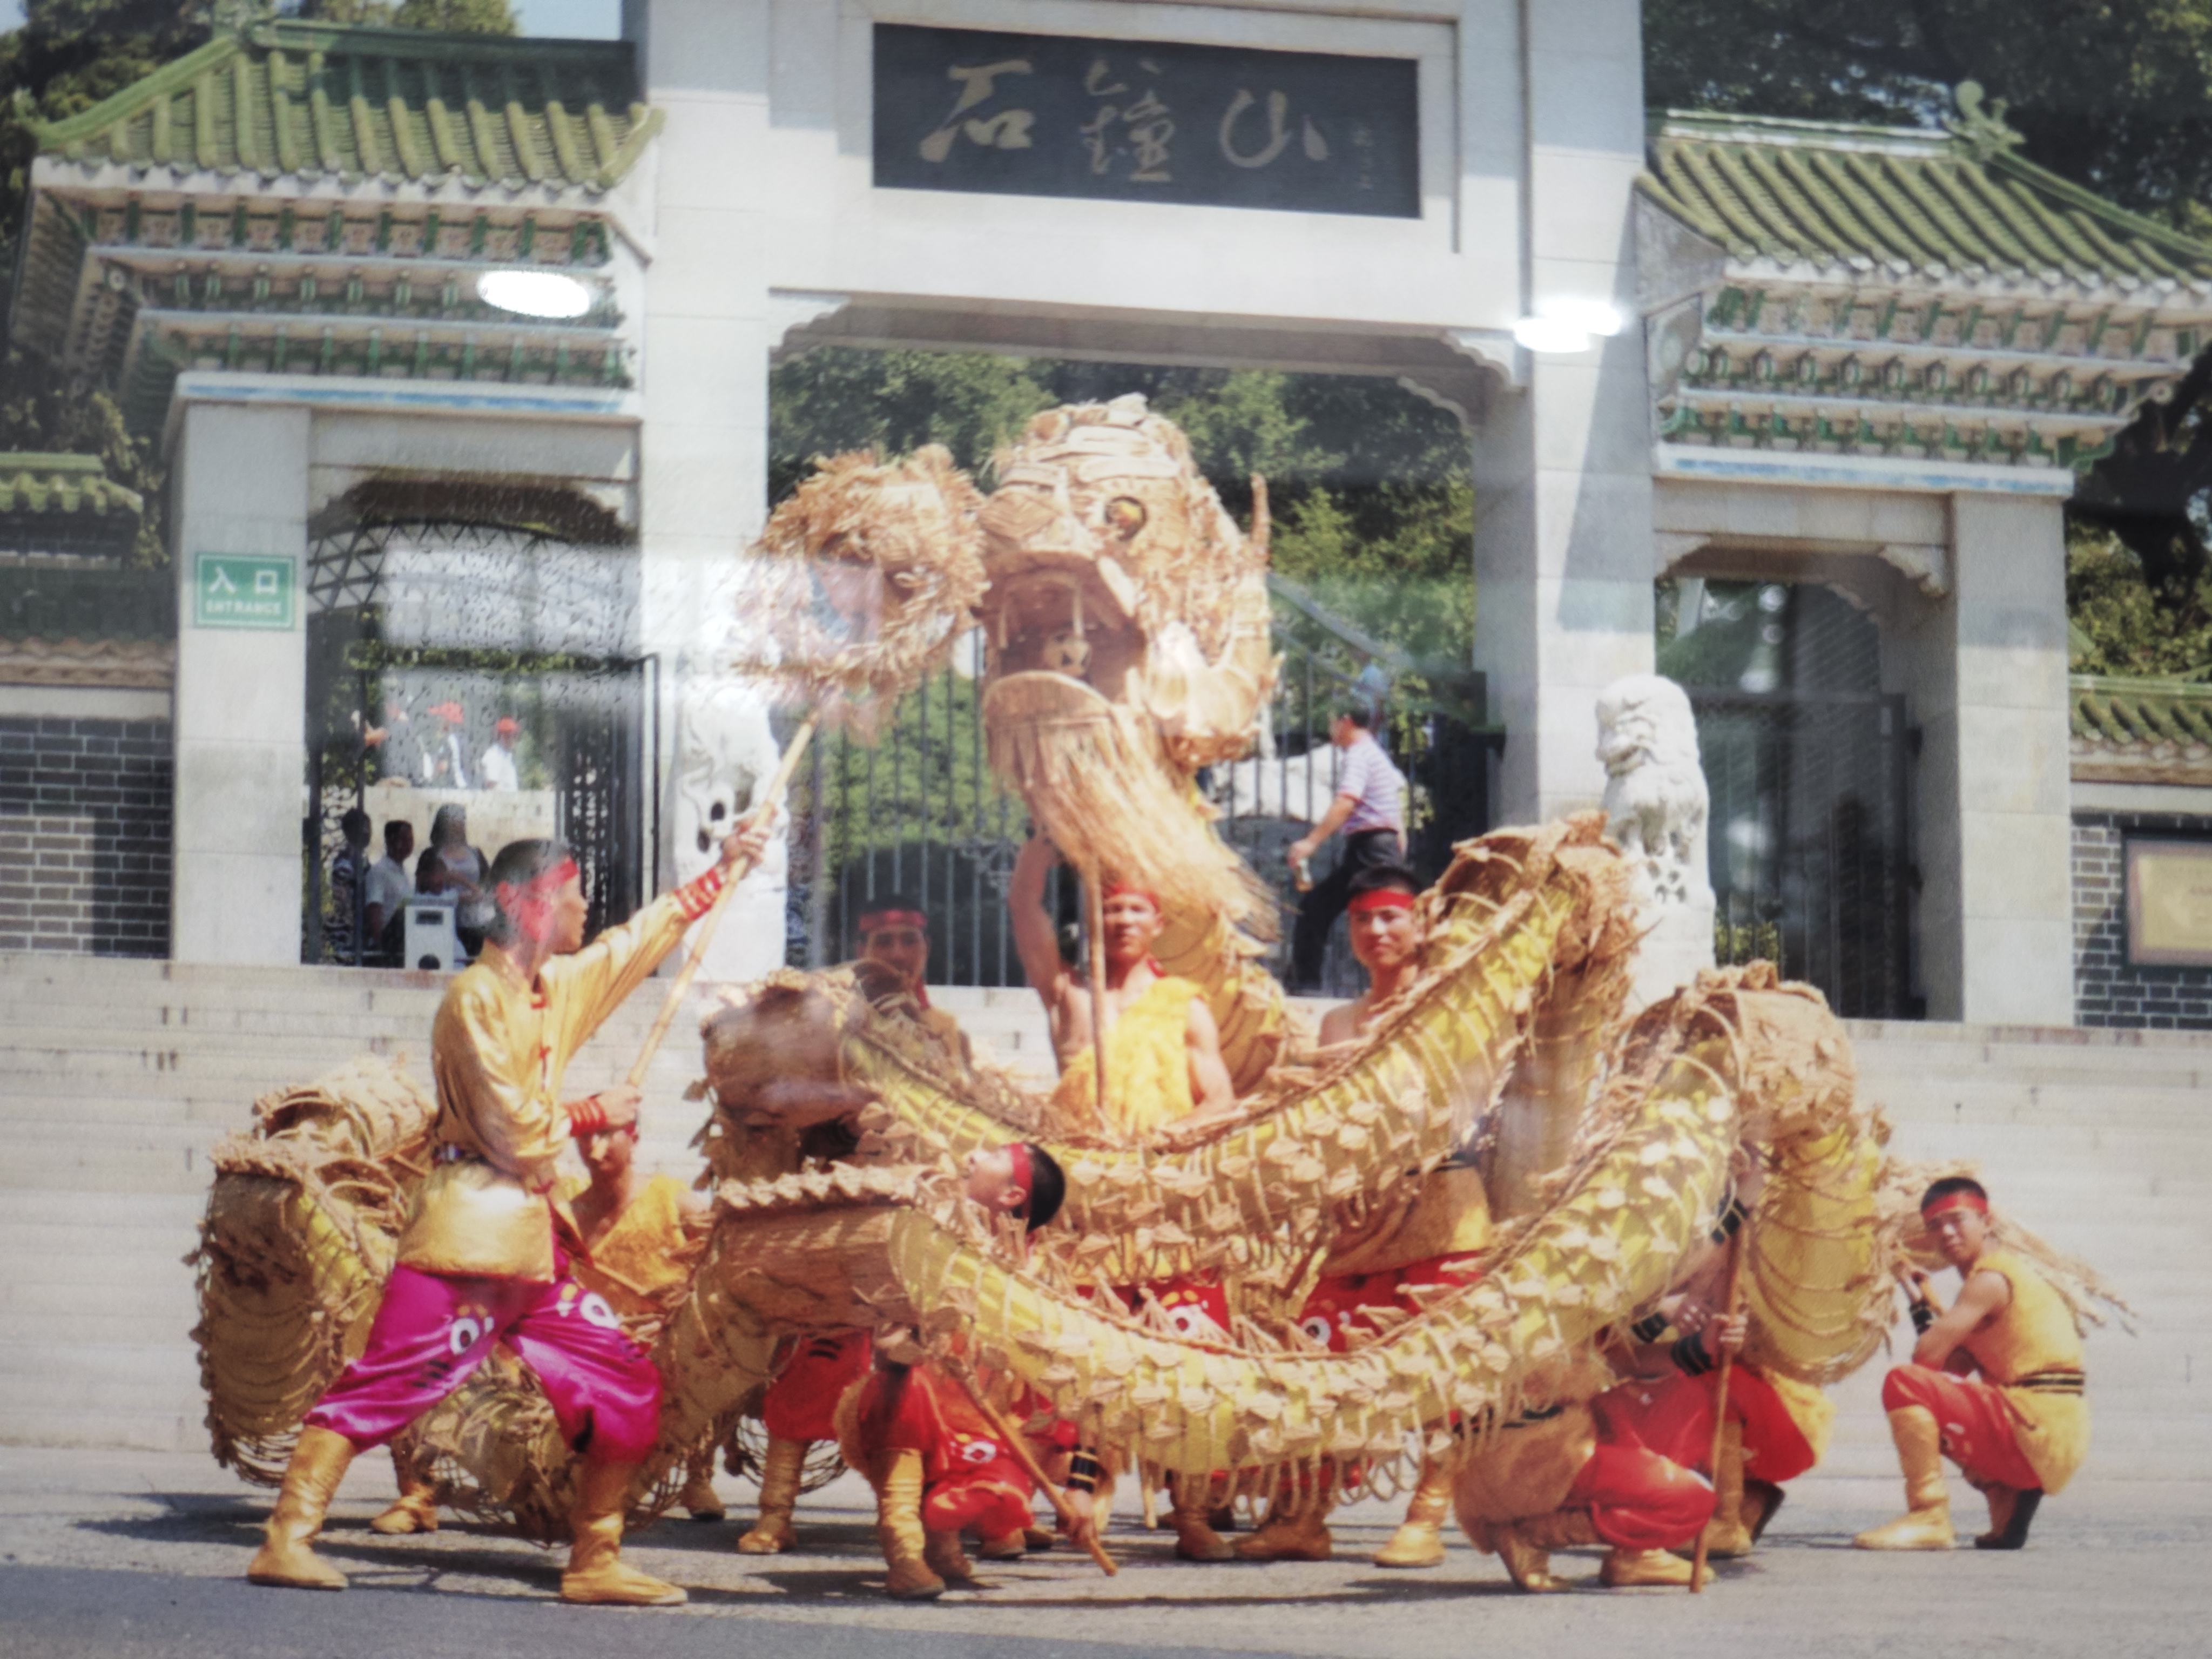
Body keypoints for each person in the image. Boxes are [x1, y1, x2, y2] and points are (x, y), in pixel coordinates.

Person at [243, 812, 773, 1605]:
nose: (585, 907)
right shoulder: (471, 1000)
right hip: (466, 1242)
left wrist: (717, 874)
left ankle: (595, 1558)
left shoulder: (549, 989)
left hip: (530, 1252)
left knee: (624, 1377)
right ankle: (286, 1539)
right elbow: (515, 1133)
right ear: (526, 900)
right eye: (575, 892)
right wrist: (594, 1114)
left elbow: (630, 948)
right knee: (386, 1384)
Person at [1252, 864, 1491, 1567]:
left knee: (1442, 1365)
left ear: (1421, 923)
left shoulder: (1454, 1009)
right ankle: (1304, 1514)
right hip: (1359, 1223)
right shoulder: (1335, 1021)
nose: (1377, 931)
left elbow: (1464, 1103)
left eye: (1391, 916)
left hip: (1445, 1210)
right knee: (1318, 1355)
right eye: (1363, 919)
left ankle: (1427, 1513)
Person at [1854, 1178, 2089, 1553]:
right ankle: (2009, 1495)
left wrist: (1927, 1312)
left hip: (2033, 1424)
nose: (1945, 1232)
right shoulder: (2006, 1276)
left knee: (1903, 1383)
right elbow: (1949, 1370)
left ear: (1987, 1221)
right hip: (2054, 1437)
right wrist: (1917, 1297)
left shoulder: (1989, 1281)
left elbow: (1924, 1363)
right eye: (1934, 1226)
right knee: (1929, 1396)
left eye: (1957, 1220)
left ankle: (1928, 1515)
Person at [1008, 835, 1236, 1139]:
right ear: (1093, 922)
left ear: (1158, 924)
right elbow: (1023, 904)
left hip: (1157, 1165)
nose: (1125, 920)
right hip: (1080, 1159)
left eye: (1137, 910)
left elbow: (1220, 1101)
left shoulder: (1184, 1006)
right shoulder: (1069, 993)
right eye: (1112, 909)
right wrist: (1040, 835)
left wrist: (1161, 1142)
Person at [1287, 704, 1406, 992]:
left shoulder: (1358, 755)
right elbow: (1395, 816)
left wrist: (1309, 843)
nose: (1330, 731)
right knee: (1318, 909)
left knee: (1384, 918)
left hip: (1371, 848)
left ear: (1346, 722)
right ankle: (1306, 983)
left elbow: (1346, 802)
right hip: (1372, 848)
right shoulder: (1375, 753)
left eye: (1332, 723)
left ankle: (1309, 984)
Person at [854, 894, 970, 1069]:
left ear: (927, 948)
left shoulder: (947, 1031)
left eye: (910, 941)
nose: (898, 955)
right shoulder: (841, 1021)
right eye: (884, 943)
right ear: (862, 953)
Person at [365, 820, 415, 965]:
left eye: (410, 840)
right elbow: (375, 909)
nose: (408, 845)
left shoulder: (406, 874)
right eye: (403, 840)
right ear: (390, 840)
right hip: (389, 940)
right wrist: (380, 949)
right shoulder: (380, 871)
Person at [327, 809, 372, 963]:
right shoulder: (344, 863)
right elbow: (342, 901)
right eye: (364, 827)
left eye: (369, 828)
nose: (368, 833)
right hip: (346, 933)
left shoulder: (362, 861)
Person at [420, 702, 471, 788]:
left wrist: (427, 770)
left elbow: (442, 767)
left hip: (456, 788)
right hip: (465, 786)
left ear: (448, 721)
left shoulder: (450, 741)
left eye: (441, 717)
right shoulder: (463, 740)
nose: (438, 720)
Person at [479, 717, 521, 792]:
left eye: (515, 736)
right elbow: (492, 785)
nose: (514, 740)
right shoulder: (494, 755)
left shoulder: (507, 756)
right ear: (502, 737)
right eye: (510, 736)